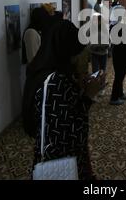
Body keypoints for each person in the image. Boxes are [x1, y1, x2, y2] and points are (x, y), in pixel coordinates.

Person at [29, 20, 104, 180]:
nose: (78, 57)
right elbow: (72, 129)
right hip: (61, 164)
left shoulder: (46, 72)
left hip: (59, 158)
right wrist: (88, 96)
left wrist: (79, 88)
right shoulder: (56, 81)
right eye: (74, 52)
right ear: (64, 49)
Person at [109, 7, 126, 105]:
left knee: (121, 75)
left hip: (122, 53)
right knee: (119, 76)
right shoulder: (117, 26)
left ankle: (120, 93)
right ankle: (114, 98)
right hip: (120, 54)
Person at [88, 13, 110, 89]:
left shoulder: (105, 30)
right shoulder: (91, 29)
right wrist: (93, 47)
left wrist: (103, 46)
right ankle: (95, 87)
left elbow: (108, 42)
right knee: (95, 71)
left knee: (102, 71)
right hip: (94, 53)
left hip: (103, 53)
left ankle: (102, 86)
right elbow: (87, 40)